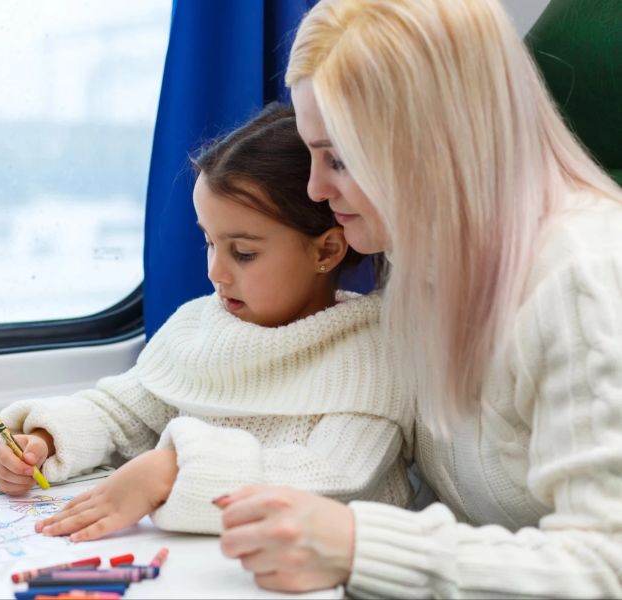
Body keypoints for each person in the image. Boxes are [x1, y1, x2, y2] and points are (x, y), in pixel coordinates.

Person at [217, 0, 622, 597]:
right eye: (312, 153)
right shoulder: (420, 263)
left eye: (341, 158)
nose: (314, 188)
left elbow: (606, 564)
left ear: (436, 144)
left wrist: (359, 547)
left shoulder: (583, 281)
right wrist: (193, 469)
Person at [0, 102, 414, 541]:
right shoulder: (198, 326)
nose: (215, 271)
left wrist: (172, 470)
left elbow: (334, 476)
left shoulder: (370, 352)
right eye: (209, 242)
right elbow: (120, 412)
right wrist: (43, 440)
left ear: (325, 252)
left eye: (243, 253)